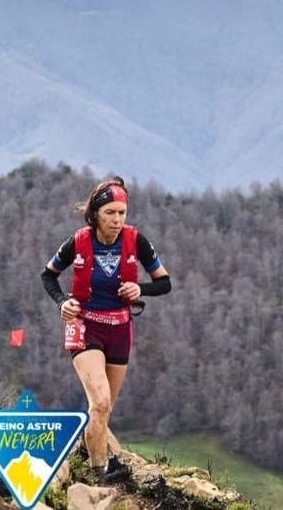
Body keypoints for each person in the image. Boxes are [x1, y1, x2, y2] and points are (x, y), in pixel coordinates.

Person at [40, 176, 172, 484]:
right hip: (85, 328)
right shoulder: (79, 241)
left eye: (121, 213)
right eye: (110, 213)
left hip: (120, 331)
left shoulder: (136, 240)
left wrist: (139, 289)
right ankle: (98, 477)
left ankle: (85, 454)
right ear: (96, 214)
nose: (116, 219)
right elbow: (48, 275)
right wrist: (62, 302)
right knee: (98, 401)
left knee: (104, 410)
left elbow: (165, 283)